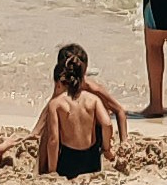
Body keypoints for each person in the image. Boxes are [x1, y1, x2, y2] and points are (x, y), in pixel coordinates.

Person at [35, 46, 117, 178]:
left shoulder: (56, 104)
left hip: (68, 162)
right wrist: (106, 148)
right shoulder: (93, 100)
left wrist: (52, 171)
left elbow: (53, 140)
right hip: (92, 162)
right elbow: (107, 124)